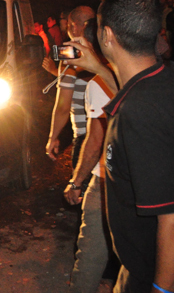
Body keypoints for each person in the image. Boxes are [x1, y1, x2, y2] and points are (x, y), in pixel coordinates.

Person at [66, 0, 174, 293]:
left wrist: (161, 289)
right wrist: (98, 68)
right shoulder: (166, 79)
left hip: (153, 275)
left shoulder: (138, 115)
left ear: (107, 35)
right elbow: (130, 93)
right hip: (138, 269)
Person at [63, 20, 116, 293]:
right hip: (150, 184)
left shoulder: (98, 83)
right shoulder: (159, 75)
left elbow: (96, 140)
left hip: (108, 179)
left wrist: (76, 182)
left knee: (90, 256)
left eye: (79, 44)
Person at [45, 6, 96, 168]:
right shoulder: (108, 48)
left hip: (85, 136)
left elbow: (63, 106)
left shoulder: (69, 54)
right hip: (110, 133)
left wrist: (53, 137)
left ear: (73, 26)